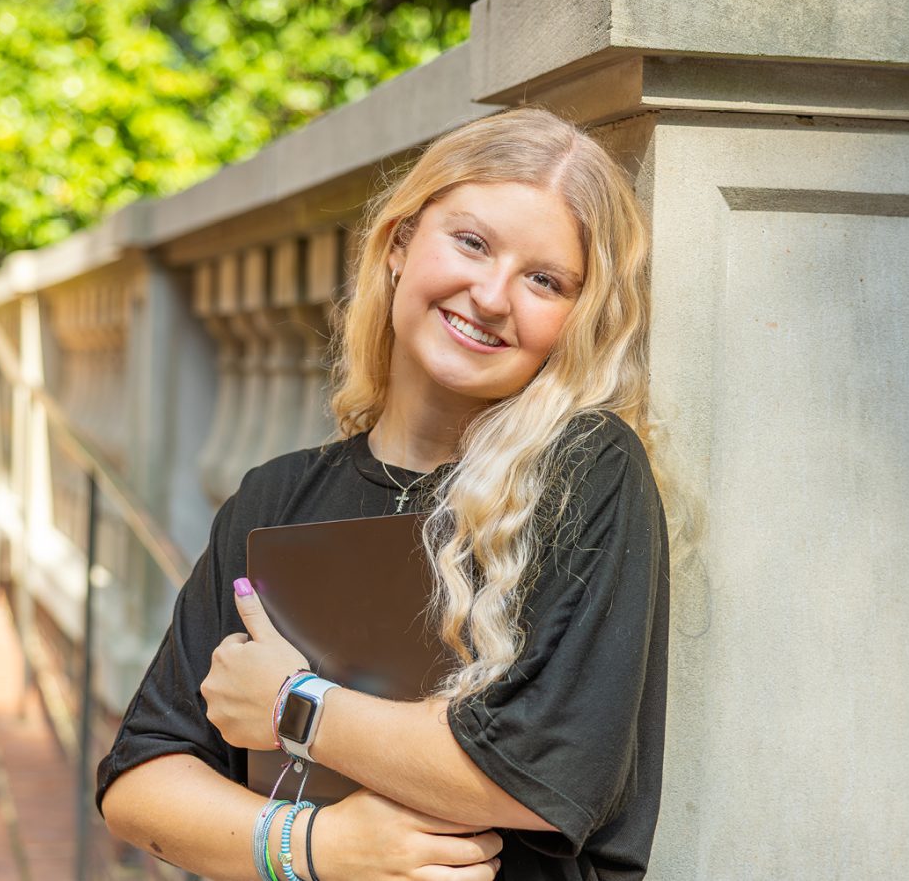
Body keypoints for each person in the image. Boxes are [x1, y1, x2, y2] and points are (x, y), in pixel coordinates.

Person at [96, 105, 694, 880]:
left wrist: (292, 705)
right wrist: (320, 849)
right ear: (400, 243)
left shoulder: (587, 472)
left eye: (545, 281)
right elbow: (141, 782)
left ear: (578, 319)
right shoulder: (277, 498)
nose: (491, 295)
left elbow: (544, 776)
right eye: (472, 243)